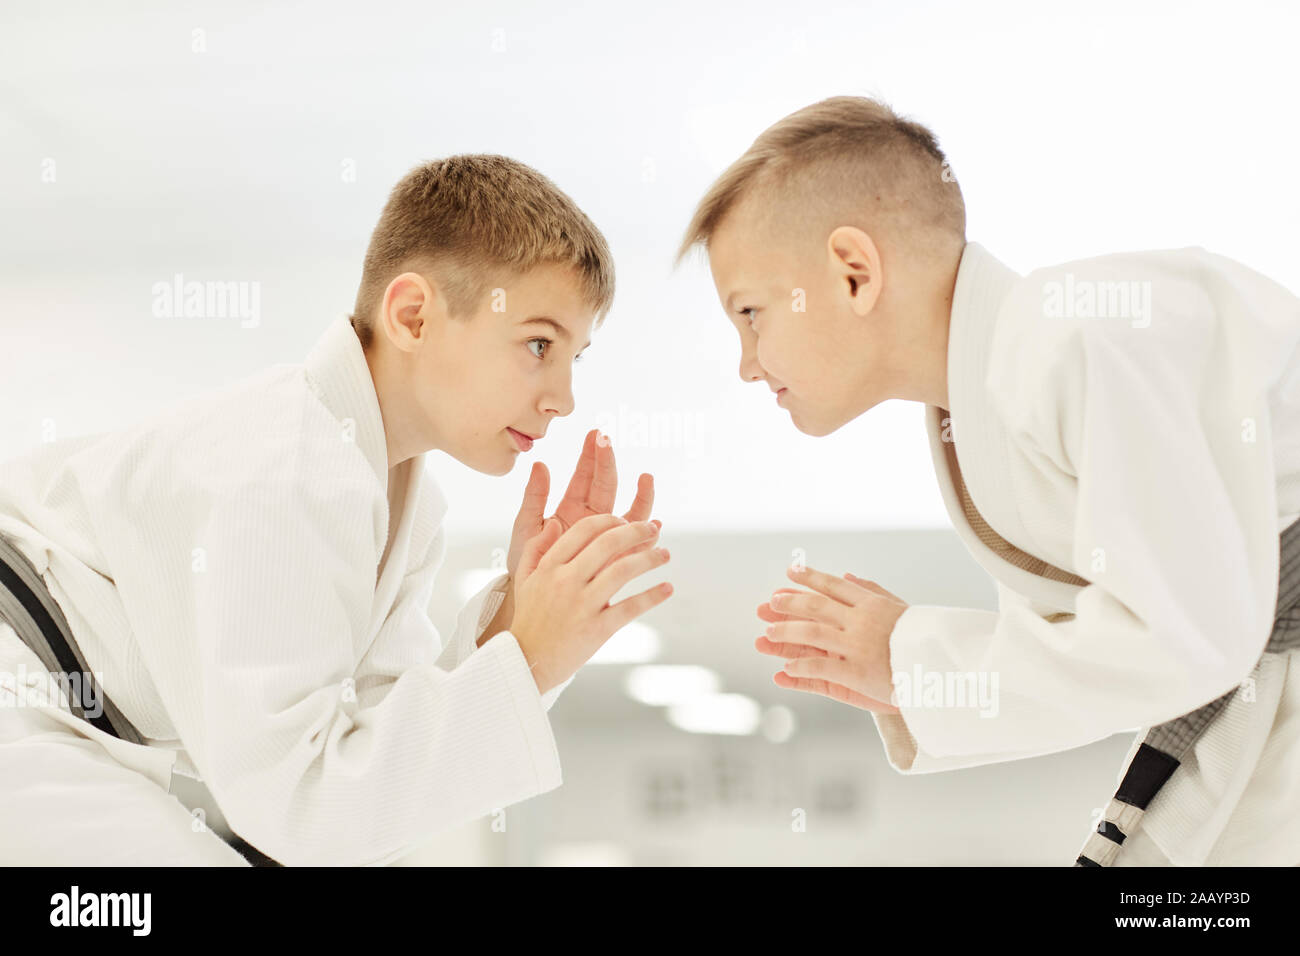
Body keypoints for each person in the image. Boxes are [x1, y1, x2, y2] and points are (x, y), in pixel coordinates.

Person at [676, 95, 1300, 865]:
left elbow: (1185, 641)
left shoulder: (1070, 335)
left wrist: (907, 657)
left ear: (853, 273)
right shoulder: (977, 407)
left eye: (751, 313)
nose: (746, 364)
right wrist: (907, 678)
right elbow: (1101, 667)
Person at [0, 154, 673, 866]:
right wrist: (529, 658)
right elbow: (302, 811)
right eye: (539, 344)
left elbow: (369, 762)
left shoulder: (400, 497)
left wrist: (520, 629)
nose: (563, 397)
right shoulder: (287, 464)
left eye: (575, 358)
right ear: (413, 315)